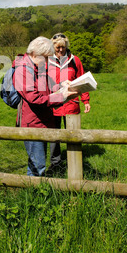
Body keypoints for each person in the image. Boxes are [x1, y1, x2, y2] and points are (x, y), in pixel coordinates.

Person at [12, 36, 78, 177]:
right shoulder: (23, 70)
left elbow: (48, 86)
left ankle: (35, 193)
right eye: (47, 57)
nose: (49, 61)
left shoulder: (37, 66)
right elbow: (35, 98)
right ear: (36, 54)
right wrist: (63, 97)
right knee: (38, 166)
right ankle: (34, 195)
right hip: (32, 123)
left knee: (38, 163)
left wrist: (62, 85)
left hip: (41, 121)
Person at [48, 33, 91, 172]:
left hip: (71, 104)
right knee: (54, 135)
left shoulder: (75, 60)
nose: (61, 50)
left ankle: (74, 162)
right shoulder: (46, 61)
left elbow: (83, 81)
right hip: (53, 104)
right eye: (57, 47)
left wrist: (86, 100)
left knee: (73, 134)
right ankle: (56, 164)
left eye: (63, 47)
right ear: (53, 46)